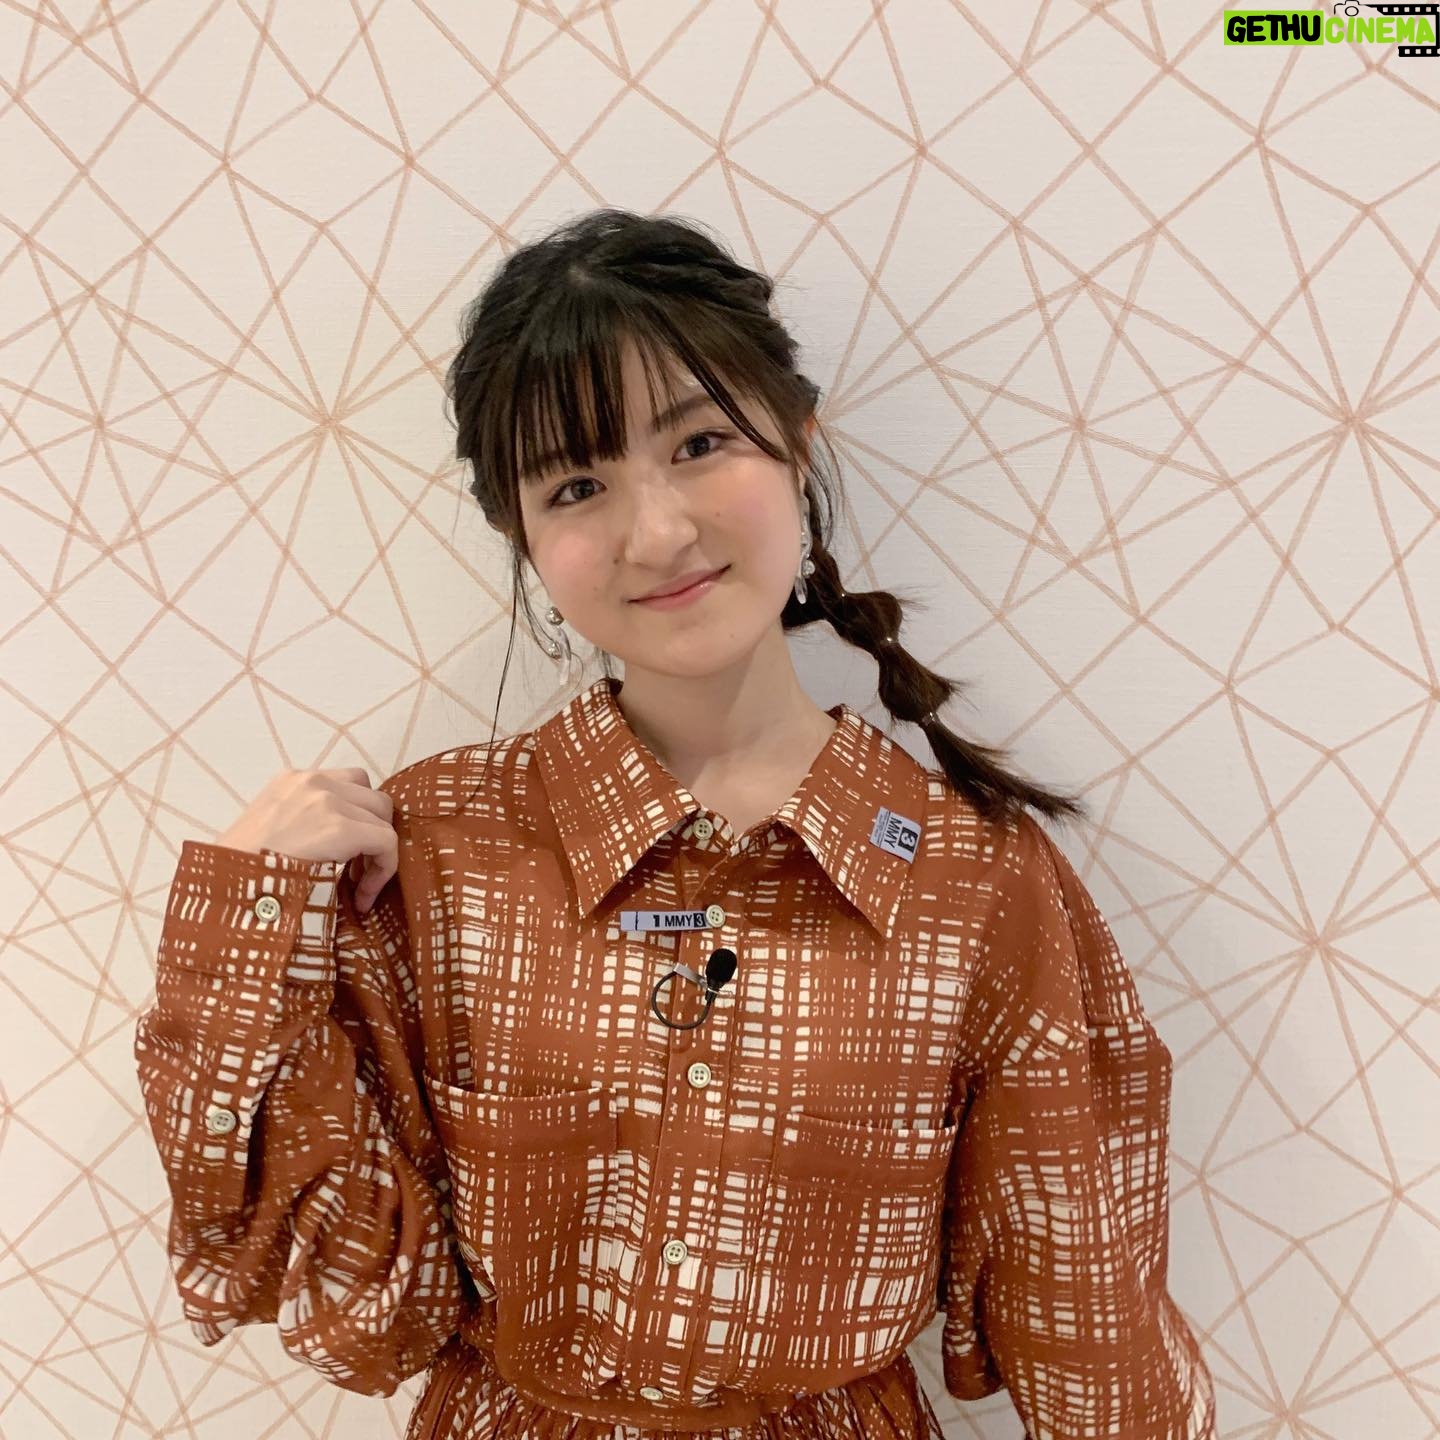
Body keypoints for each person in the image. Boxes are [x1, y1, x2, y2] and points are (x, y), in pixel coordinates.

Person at [134, 208, 1219, 1440]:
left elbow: (1090, 1330)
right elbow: (362, 1305)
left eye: (700, 443)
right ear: (523, 537)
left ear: (798, 444)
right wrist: (246, 921)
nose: (656, 533)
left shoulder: (973, 880)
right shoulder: (443, 852)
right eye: (578, 485)